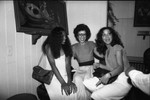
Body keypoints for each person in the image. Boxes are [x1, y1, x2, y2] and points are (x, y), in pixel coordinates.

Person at [85, 27, 132, 100]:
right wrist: (99, 65)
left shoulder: (117, 47)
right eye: (104, 35)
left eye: (109, 34)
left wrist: (108, 75)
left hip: (124, 80)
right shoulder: (107, 51)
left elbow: (120, 67)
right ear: (101, 38)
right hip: (116, 79)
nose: (107, 37)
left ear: (112, 35)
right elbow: (111, 68)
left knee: (95, 95)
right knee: (86, 83)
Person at [42, 27, 77, 100]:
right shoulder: (48, 47)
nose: (65, 38)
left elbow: (68, 65)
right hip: (52, 77)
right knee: (64, 93)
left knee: (73, 91)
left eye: (65, 36)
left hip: (64, 75)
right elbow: (53, 66)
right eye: (62, 36)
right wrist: (63, 83)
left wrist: (69, 81)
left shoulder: (66, 47)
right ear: (56, 37)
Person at [72, 24, 96, 100]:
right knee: (77, 78)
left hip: (91, 68)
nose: (82, 37)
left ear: (87, 35)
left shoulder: (92, 44)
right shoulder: (74, 47)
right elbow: (65, 59)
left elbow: (101, 54)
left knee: (87, 80)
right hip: (80, 69)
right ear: (77, 35)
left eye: (84, 34)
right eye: (80, 34)